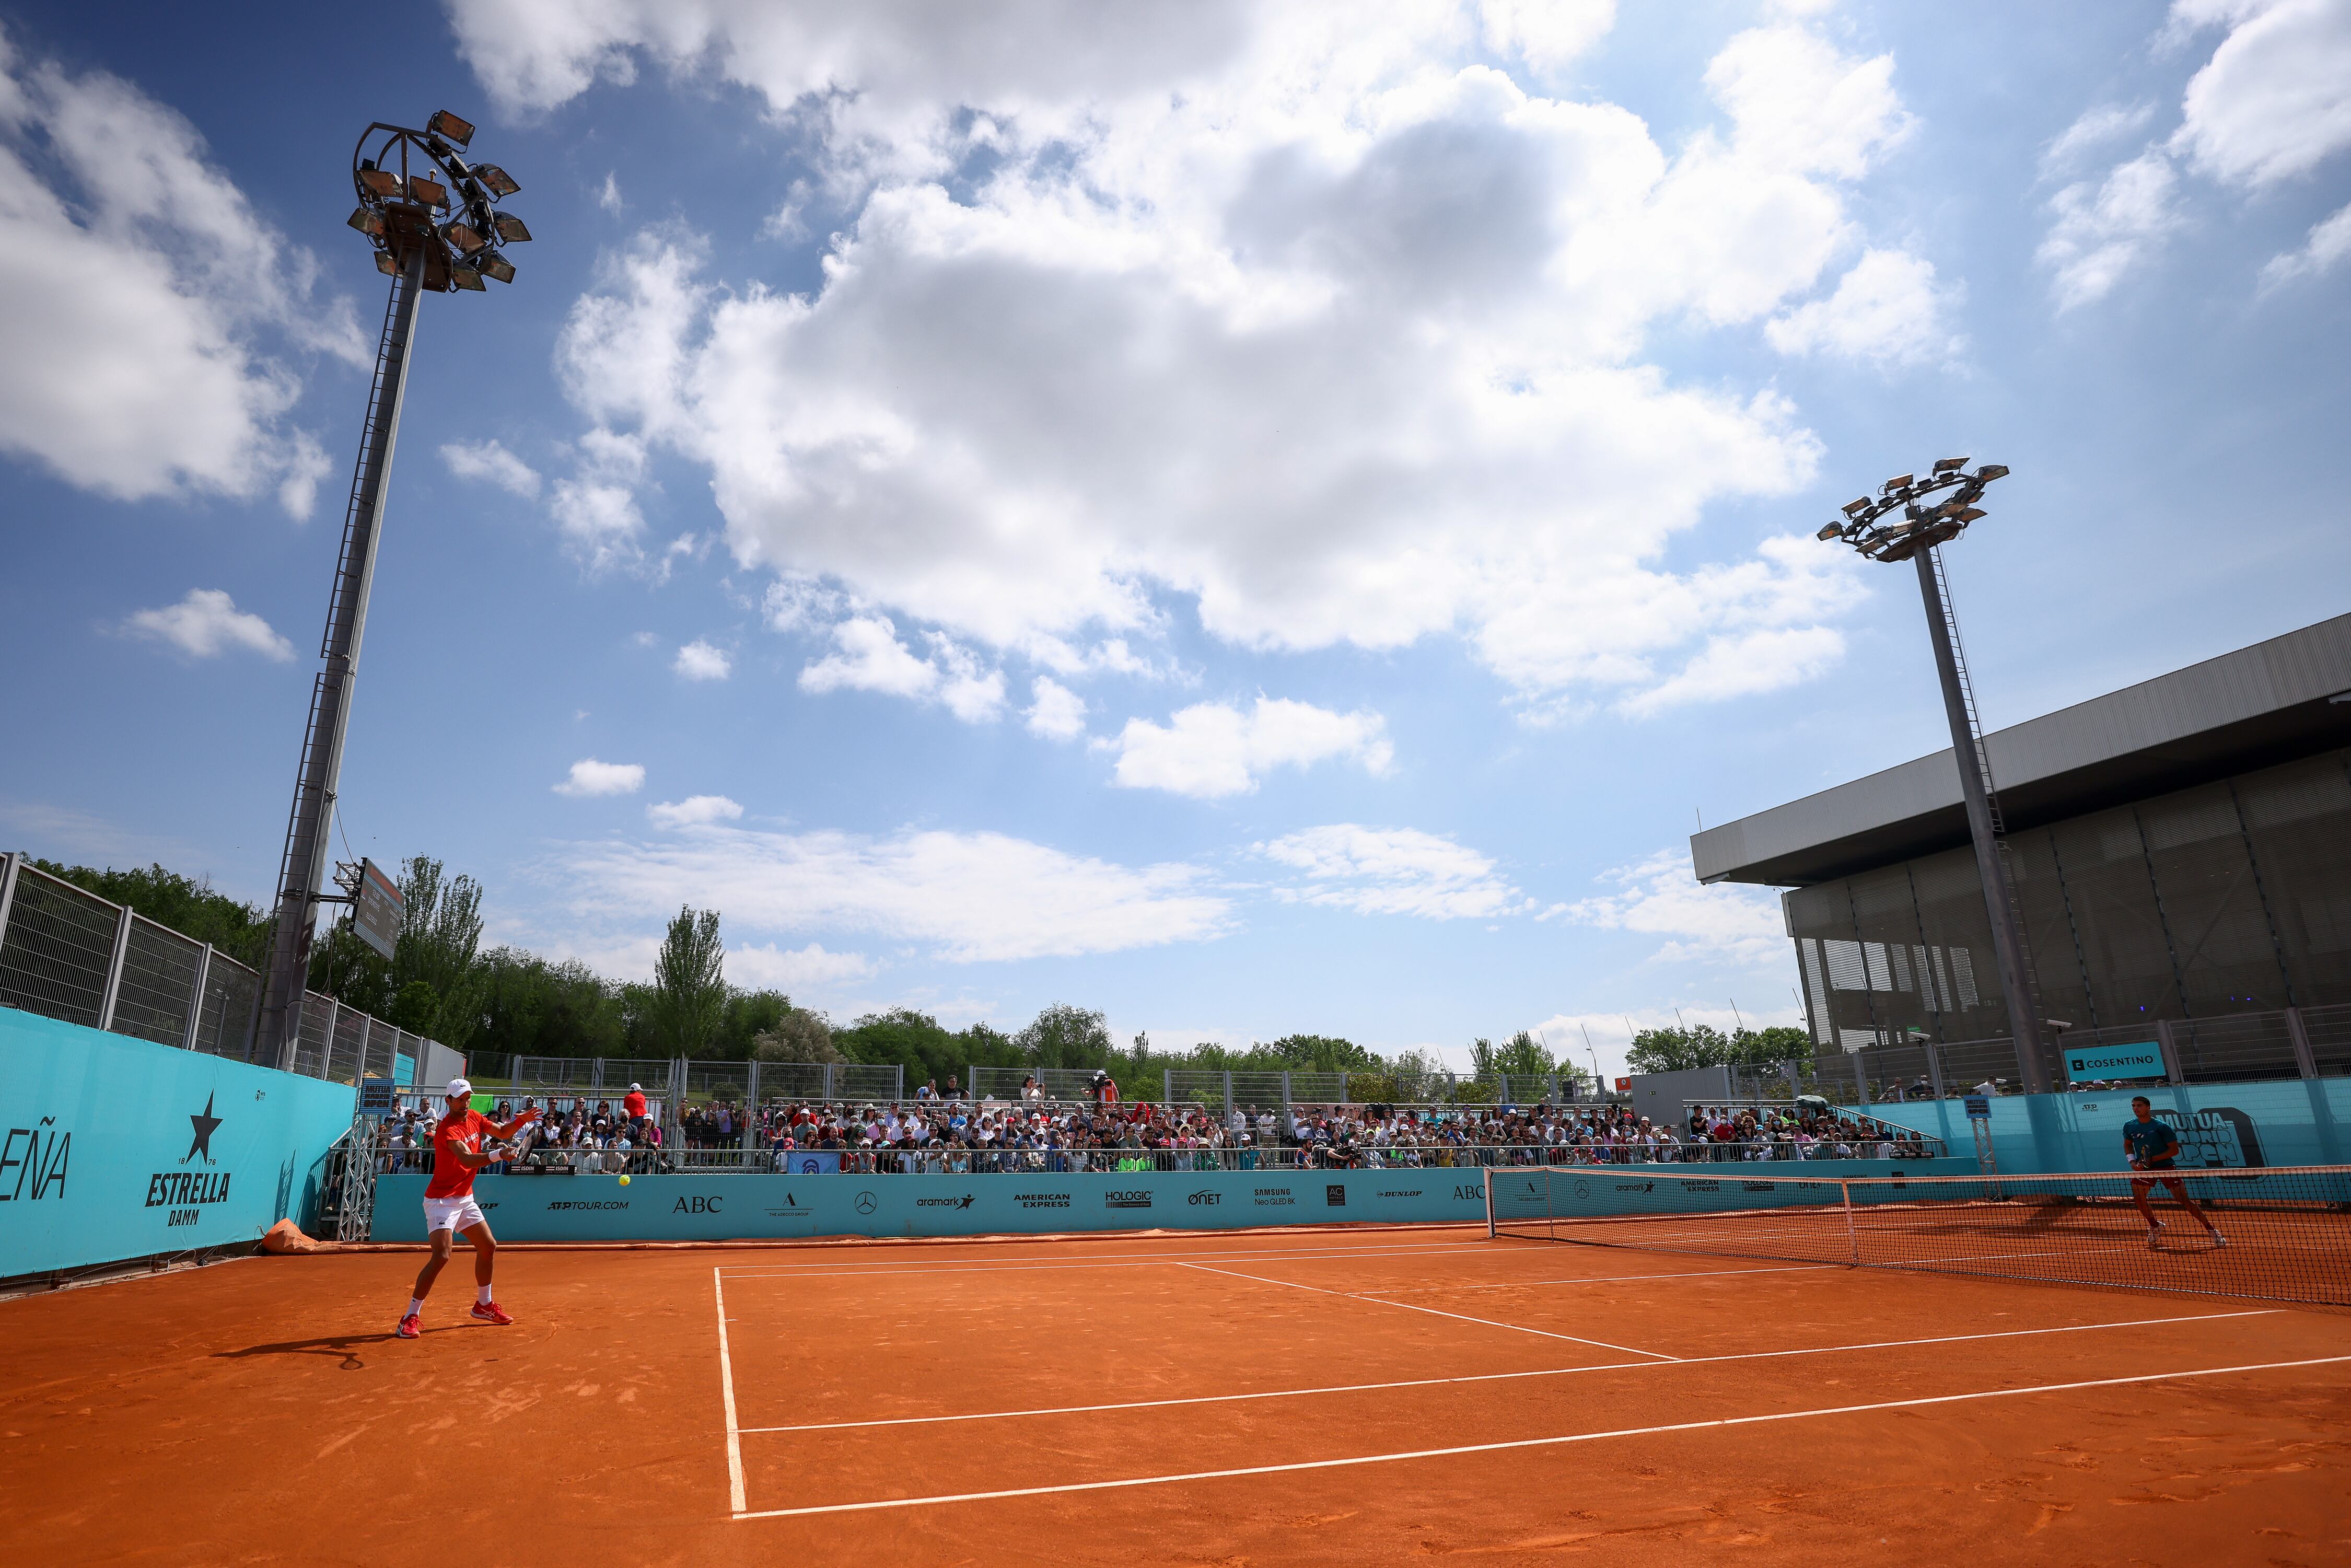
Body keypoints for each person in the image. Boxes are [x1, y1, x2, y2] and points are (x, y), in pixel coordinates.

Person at [398, 1078, 541, 1339]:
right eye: (460, 1099)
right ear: (449, 1101)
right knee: (441, 1256)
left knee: (488, 1246)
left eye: (468, 1098)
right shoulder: (447, 1130)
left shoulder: (474, 1116)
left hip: (464, 1197)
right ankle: (410, 1316)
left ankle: (483, 1305)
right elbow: (465, 1158)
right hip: (441, 1200)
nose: (465, 1103)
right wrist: (498, 1155)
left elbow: (503, 1131)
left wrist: (521, 1121)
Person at [2123, 1095, 2224, 1250]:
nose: (2136, 1108)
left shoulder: (2162, 1127)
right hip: (2144, 1169)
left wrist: (2151, 1159)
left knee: (2183, 1200)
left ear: (2148, 1107)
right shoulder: (2129, 1126)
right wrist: (2132, 1161)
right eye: (2134, 1106)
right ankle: (2155, 1225)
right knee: (2139, 1199)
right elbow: (2128, 1145)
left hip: (2166, 1168)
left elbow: (2174, 1150)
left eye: (2139, 1105)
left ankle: (2212, 1231)